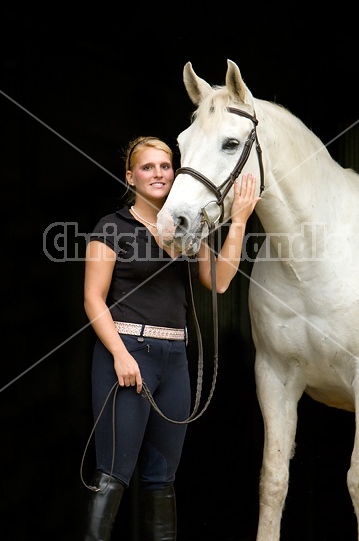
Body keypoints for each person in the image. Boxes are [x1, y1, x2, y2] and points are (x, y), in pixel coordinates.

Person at [82, 135, 259, 540]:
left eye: (165, 166)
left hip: (174, 359)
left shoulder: (186, 225)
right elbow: (93, 299)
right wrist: (120, 355)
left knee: (162, 479)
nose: (159, 174)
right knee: (113, 473)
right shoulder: (112, 227)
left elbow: (219, 281)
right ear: (131, 176)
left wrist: (241, 220)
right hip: (128, 354)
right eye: (148, 167)